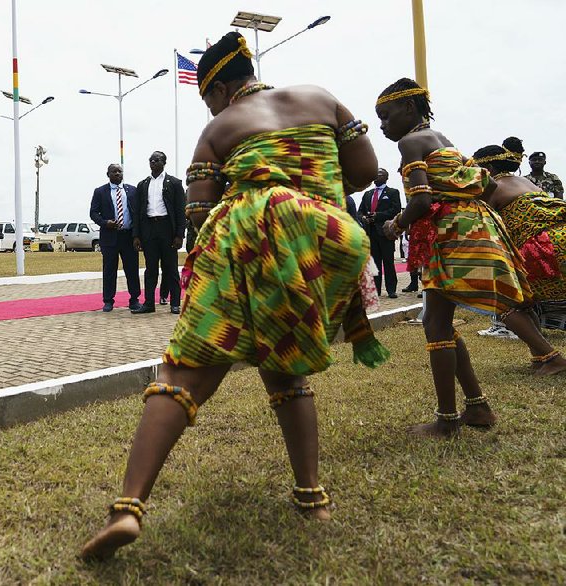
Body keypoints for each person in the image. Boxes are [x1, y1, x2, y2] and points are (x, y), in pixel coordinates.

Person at [81, 32, 388, 561]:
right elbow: (363, 170)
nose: (209, 107)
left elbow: (200, 218)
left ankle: (127, 508)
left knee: (182, 373)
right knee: (287, 370)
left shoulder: (218, 128)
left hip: (243, 243)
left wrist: (218, 268)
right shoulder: (321, 97)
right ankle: (313, 499)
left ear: (221, 89)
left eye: (207, 97)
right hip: (321, 242)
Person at [375, 78, 566, 439]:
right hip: (473, 228)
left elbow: (419, 202)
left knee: (435, 323)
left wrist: (394, 225)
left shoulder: (410, 142)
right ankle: (477, 408)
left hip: (451, 236)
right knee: (438, 320)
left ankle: (447, 420)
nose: (383, 125)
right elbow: (489, 187)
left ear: (409, 108)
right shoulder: (444, 141)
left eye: (386, 116)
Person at [473, 137, 566, 337]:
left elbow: (486, 230)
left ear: (488, 167)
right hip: (561, 232)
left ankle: (507, 328)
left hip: (542, 243)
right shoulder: (525, 181)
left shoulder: (492, 188)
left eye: (477, 168)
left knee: (507, 284)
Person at [131, 151, 186, 315]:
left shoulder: (174, 183)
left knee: (170, 268)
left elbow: (180, 211)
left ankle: (175, 303)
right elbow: (138, 212)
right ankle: (149, 303)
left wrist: (179, 235)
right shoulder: (143, 184)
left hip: (167, 229)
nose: (153, 162)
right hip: (149, 229)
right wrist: (136, 235)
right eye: (150, 160)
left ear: (164, 162)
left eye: (156, 160)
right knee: (150, 269)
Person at [89, 164, 142, 312]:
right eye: (114, 171)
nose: (118, 173)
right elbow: (93, 213)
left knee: (132, 269)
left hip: (128, 236)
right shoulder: (100, 192)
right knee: (109, 270)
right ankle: (108, 301)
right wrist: (105, 223)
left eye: (120, 171)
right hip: (109, 237)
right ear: (108, 174)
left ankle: (134, 299)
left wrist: (137, 235)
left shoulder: (132, 191)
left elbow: (137, 214)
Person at [357, 168, 402, 298]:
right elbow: (360, 212)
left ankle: (391, 290)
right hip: (370, 233)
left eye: (380, 174)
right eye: (375, 174)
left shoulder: (393, 192)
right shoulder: (367, 194)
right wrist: (363, 218)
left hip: (385, 233)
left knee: (388, 262)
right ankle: (375, 290)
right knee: (374, 264)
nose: (376, 176)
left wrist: (378, 215)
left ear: (386, 177)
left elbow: (395, 210)